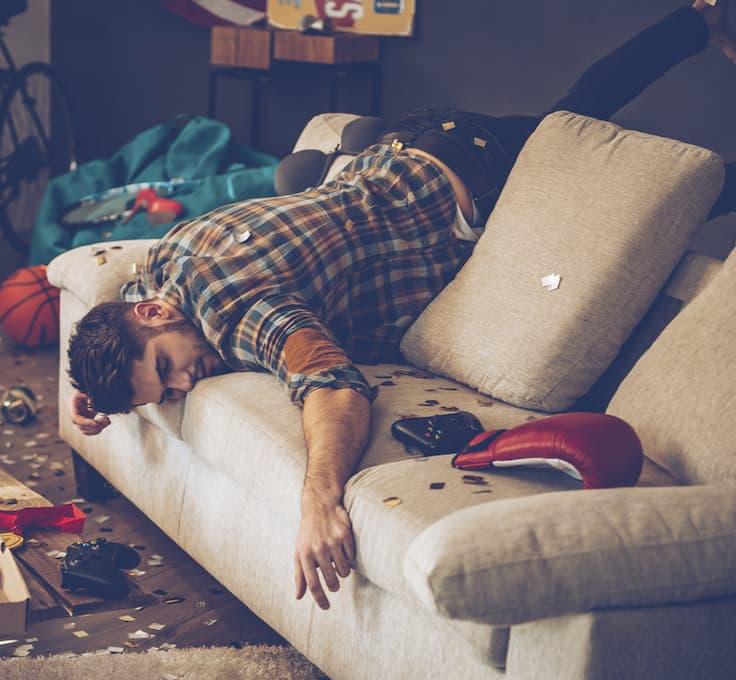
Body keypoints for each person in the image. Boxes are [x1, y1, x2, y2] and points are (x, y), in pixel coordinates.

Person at [66, 1, 736, 611]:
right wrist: (99, 388)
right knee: (579, 108)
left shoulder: (238, 310)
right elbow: (120, 303)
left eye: (167, 367)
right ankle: (698, 21)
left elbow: (331, 384)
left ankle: (699, 22)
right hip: (410, 147)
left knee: (645, 194)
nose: (186, 381)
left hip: (477, 175)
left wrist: (319, 496)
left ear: (157, 317)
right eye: (166, 388)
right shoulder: (167, 260)